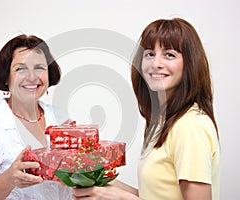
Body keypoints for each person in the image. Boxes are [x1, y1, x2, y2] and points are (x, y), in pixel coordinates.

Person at [73, 18, 220, 200]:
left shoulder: (189, 126)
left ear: (190, 63)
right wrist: (99, 182)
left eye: (169, 54)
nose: (156, 63)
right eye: (149, 54)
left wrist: (120, 198)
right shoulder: (163, 123)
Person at [0, 34, 73, 199]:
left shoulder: (62, 118)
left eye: (39, 67)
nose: (31, 76)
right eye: (20, 68)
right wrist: (9, 179)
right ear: (6, 77)